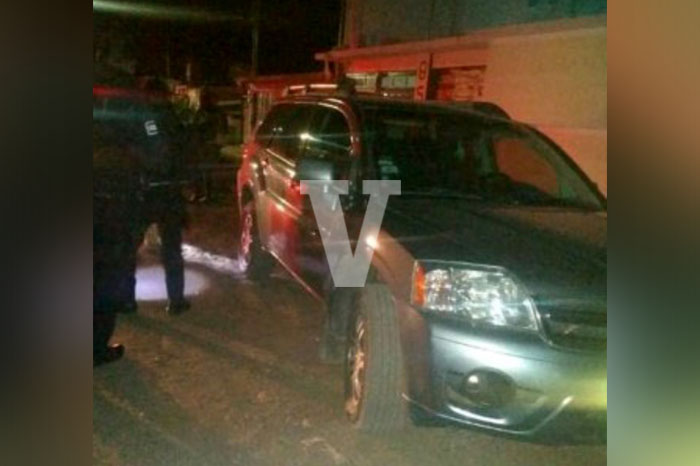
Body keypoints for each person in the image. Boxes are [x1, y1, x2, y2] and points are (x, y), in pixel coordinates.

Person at [124, 77, 191, 315]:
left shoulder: (136, 117)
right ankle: (176, 300)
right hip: (168, 191)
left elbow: (129, 150)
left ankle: (126, 299)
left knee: (130, 247)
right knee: (171, 248)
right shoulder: (171, 118)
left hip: (144, 190)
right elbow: (183, 152)